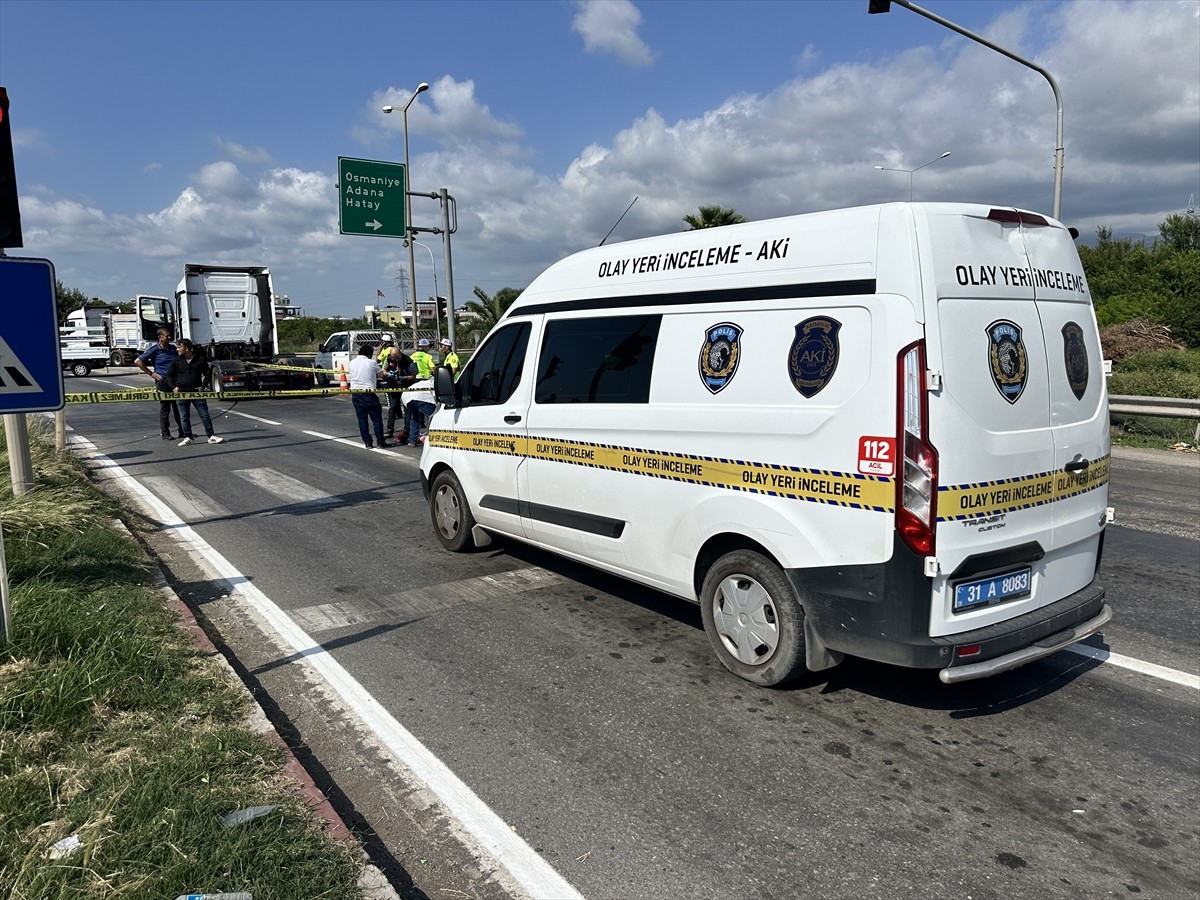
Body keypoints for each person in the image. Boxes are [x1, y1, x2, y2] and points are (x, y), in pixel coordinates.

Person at [163, 339, 224, 446]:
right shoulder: (176, 361)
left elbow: (208, 374)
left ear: (186, 348)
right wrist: (173, 387)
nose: (177, 349)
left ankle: (211, 436)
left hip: (196, 392)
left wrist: (203, 386)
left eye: (179, 347)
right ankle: (188, 437)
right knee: (184, 417)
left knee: (204, 415)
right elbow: (169, 375)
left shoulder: (200, 360)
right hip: (182, 393)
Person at [135, 327, 183, 440]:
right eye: (167, 336)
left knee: (179, 406)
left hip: (175, 380)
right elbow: (138, 361)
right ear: (160, 337)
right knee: (166, 407)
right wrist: (151, 373)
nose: (169, 338)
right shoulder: (154, 349)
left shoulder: (172, 348)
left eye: (169, 336)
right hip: (163, 381)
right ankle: (165, 433)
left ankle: (183, 431)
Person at [348, 343, 389, 449]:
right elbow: (380, 375)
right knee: (376, 419)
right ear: (369, 353)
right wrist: (387, 373)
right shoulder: (371, 362)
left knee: (362, 420)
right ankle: (380, 442)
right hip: (369, 394)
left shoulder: (352, 362)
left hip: (355, 393)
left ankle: (367, 442)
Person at [382, 345, 418, 440]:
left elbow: (413, 375)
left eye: (397, 358)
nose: (395, 360)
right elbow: (384, 371)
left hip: (405, 386)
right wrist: (389, 374)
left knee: (407, 408)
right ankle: (389, 429)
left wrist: (404, 377)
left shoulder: (408, 361)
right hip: (393, 385)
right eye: (393, 358)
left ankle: (407, 429)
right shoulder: (389, 359)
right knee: (393, 407)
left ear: (400, 354)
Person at [404, 376, 436, 447]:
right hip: (421, 397)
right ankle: (432, 439)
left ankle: (412, 441)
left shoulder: (424, 383)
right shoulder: (435, 383)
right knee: (433, 418)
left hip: (407, 397)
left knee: (414, 418)